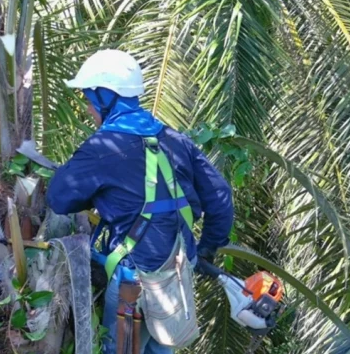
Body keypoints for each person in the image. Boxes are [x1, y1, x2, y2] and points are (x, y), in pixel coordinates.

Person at [45, 49, 234, 354]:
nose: (88, 109)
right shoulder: (175, 139)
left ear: (104, 97)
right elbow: (220, 196)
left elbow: (58, 199)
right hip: (177, 274)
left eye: (88, 99)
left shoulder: (102, 148)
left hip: (133, 285)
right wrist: (207, 248)